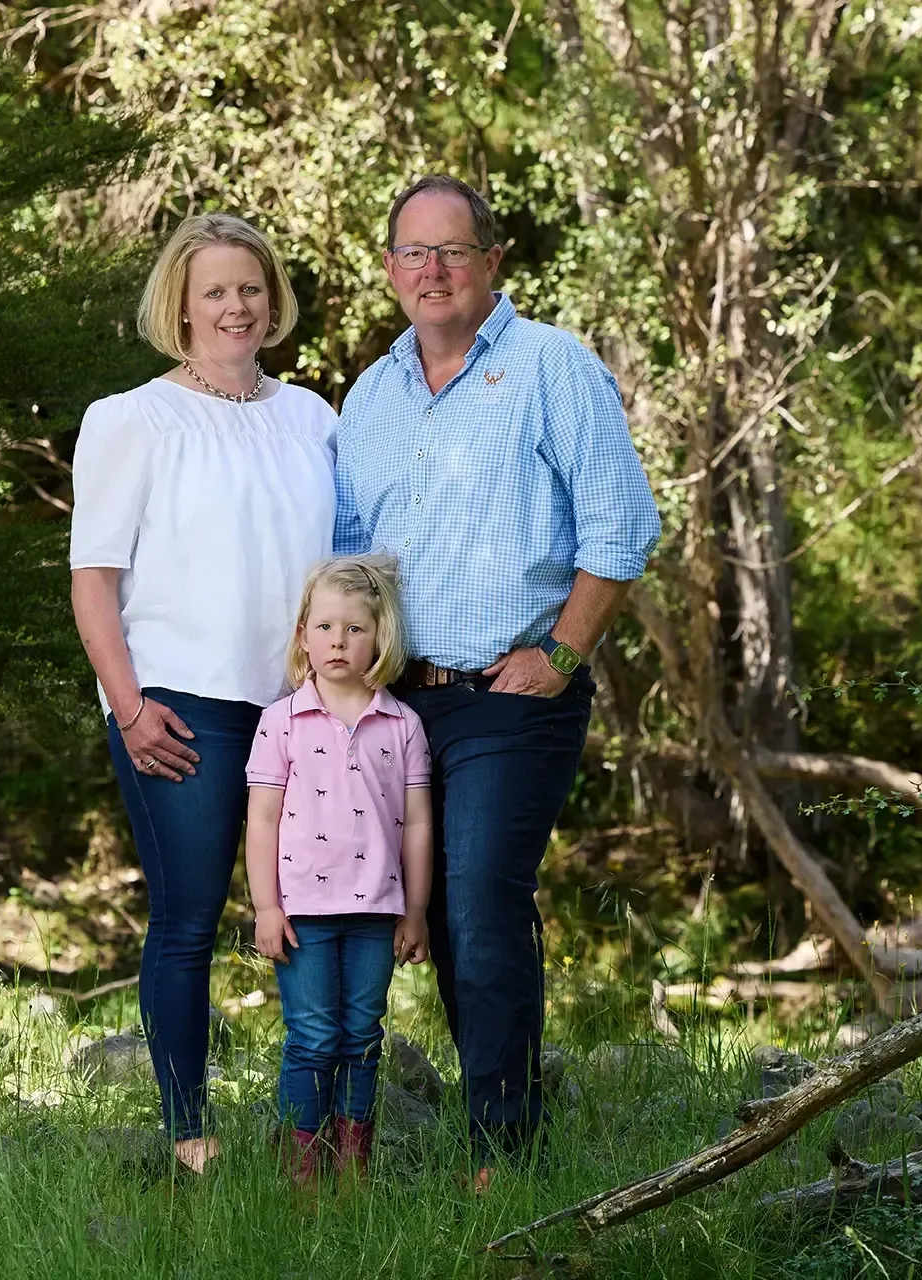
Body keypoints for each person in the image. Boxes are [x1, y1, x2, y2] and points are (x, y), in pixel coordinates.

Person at [334, 175, 662, 1182]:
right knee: (421, 915)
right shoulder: (371, 394)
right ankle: (470, 1122)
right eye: (414, 254)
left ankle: (504, 1153)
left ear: (493, 261)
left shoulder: (551, 366)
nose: (434, 271)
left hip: (510, 695)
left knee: (480, 895)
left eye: (454, 250)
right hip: (396, 702)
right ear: (390, 270)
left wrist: (560, 655)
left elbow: (625, 527)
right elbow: (348, 556)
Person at [69, 214, 337, 1175]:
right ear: (179, 303)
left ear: (274, 300)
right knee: (189, 917)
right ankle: (190, 1132)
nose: (237, 306)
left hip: (305, 709)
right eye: (216, 290)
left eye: (252, 288)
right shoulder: (131, 419)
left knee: (316, 911)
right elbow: (93, 581)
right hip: (183, 705)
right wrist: (130, 706)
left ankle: (314, 1130)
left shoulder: (313, 416)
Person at [245, 554, 435, 1186]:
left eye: (355, 629)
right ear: (303, 634)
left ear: (380, 637)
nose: (338, 641)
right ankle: (302, 1169)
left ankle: (353, 1162)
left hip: (378, 912)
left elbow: (417, 823)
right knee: (312, 1038)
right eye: (324, 627)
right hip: (302, 912)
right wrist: (267, 907)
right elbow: (263, 820)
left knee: (361, 1036)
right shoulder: (281, 722)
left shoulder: (402, 724)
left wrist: (416, 910)